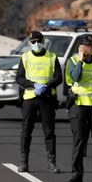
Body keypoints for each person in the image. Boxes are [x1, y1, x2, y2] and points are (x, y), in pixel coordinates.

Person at [16, 30, 63, 173]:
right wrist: (33, 85)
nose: (36, 44)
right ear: (29, 43)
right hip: (30, 98)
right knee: (26, 130)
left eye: (39, 41)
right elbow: (19, 78)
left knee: (49, 131)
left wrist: (46, 86)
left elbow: (59, 77)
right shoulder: (25, 57)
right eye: (33, 42)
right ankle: (24, 162)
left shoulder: (52, 57)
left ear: (43, 42)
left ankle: (51, 162)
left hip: (46, 98)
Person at [64, 34, 92, 182]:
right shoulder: (73, 60)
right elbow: (75, 77)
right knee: (79, 139)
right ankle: (76, 173)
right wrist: (80, 60)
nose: (90, 48)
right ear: (80, 48)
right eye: (87, 46)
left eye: (91, 45)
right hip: (79, 105)